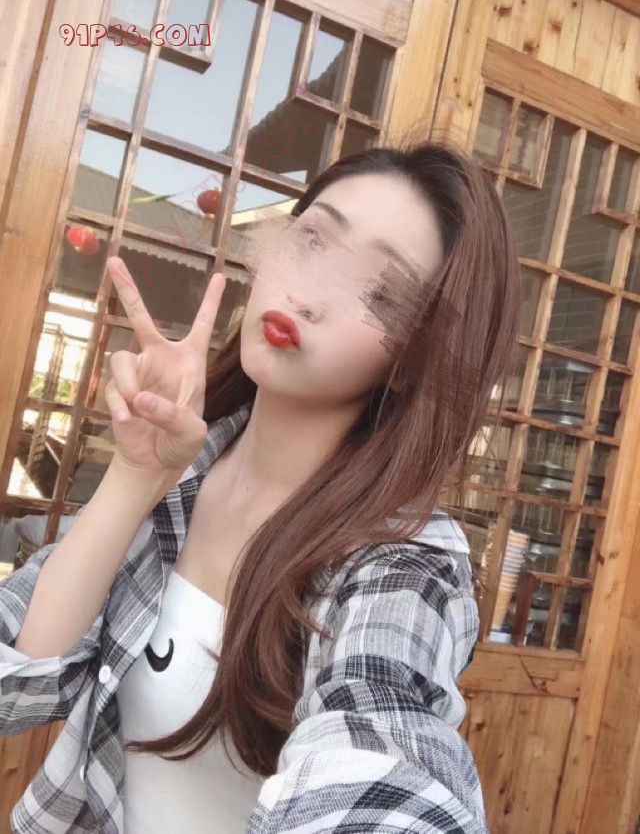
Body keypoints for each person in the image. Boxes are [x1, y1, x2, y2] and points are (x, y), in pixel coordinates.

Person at [0, 138, 520, 833]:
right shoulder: (183, 475)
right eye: (312, 242)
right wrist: (135, 476)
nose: (309, 294)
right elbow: (15, 692)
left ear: (414, 359)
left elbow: (388, 742)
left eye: (379, 292)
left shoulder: (402, 562)